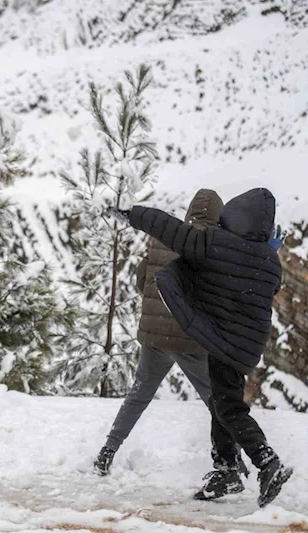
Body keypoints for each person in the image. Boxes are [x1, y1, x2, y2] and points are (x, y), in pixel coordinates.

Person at [109, 188, 292, 508]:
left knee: (228, 408)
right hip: (247, 344)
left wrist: (132, 215)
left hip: (226, 341)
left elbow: (169, 228)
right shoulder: (269, 259)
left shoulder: (215, 244)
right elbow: (270, 284)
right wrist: (268, 252)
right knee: (222, 402)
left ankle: (266, 463)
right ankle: (226, 468)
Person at [93, 189, 248, 485]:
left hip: (154, 338)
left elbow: (142, 281)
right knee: (217, 401)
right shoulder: (213, 247)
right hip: (190, 341)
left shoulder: (164, 235)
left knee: (138, 395)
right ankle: (236, 461)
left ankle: (107, 451)